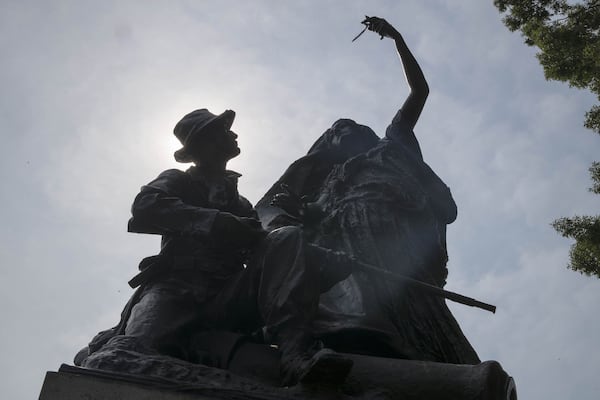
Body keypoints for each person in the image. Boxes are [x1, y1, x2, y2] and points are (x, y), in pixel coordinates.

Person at [257, 17, 479, 364]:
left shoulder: (393, 142)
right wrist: (299, 212)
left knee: (407, 300)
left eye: (348, 126)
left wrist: (397, 39)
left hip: (393, 235)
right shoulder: (331, 180)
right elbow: (314, 219)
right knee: (354, 304)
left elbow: (419, 91)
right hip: (346, 243)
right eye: (335, 131)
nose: (341, 131)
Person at [76, 108, 352, 385]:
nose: (233, 133)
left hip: (226, 300)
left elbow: (265, 249)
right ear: (203, 144)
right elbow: (146, 207)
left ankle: (296, 353)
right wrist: (217, 222)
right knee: (124, 355)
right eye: (223, 130)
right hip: (178, 289)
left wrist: (321, 261)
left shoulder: (241, 204)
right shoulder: (179, 180)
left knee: (286, 236)